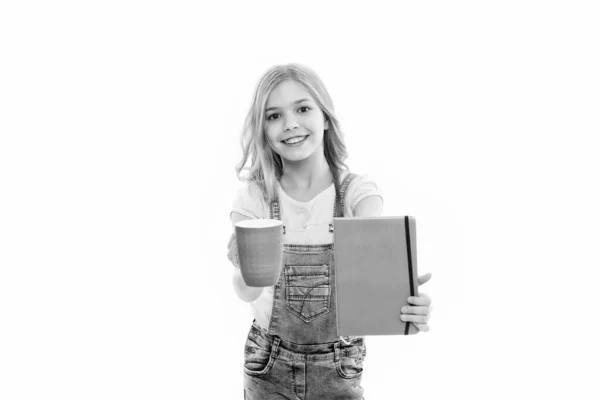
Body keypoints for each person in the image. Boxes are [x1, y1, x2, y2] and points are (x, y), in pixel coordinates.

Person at [227, 63, 432, 399]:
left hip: (339, 365)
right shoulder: (254, 199)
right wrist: (246, 267)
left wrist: (405, 303)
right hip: (267, 363)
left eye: (303, 108)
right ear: (262, 128)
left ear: (325, 117)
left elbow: (370, 276)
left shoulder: (356, 194)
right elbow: (246, 292)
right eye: (273, 115)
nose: (290, 124)